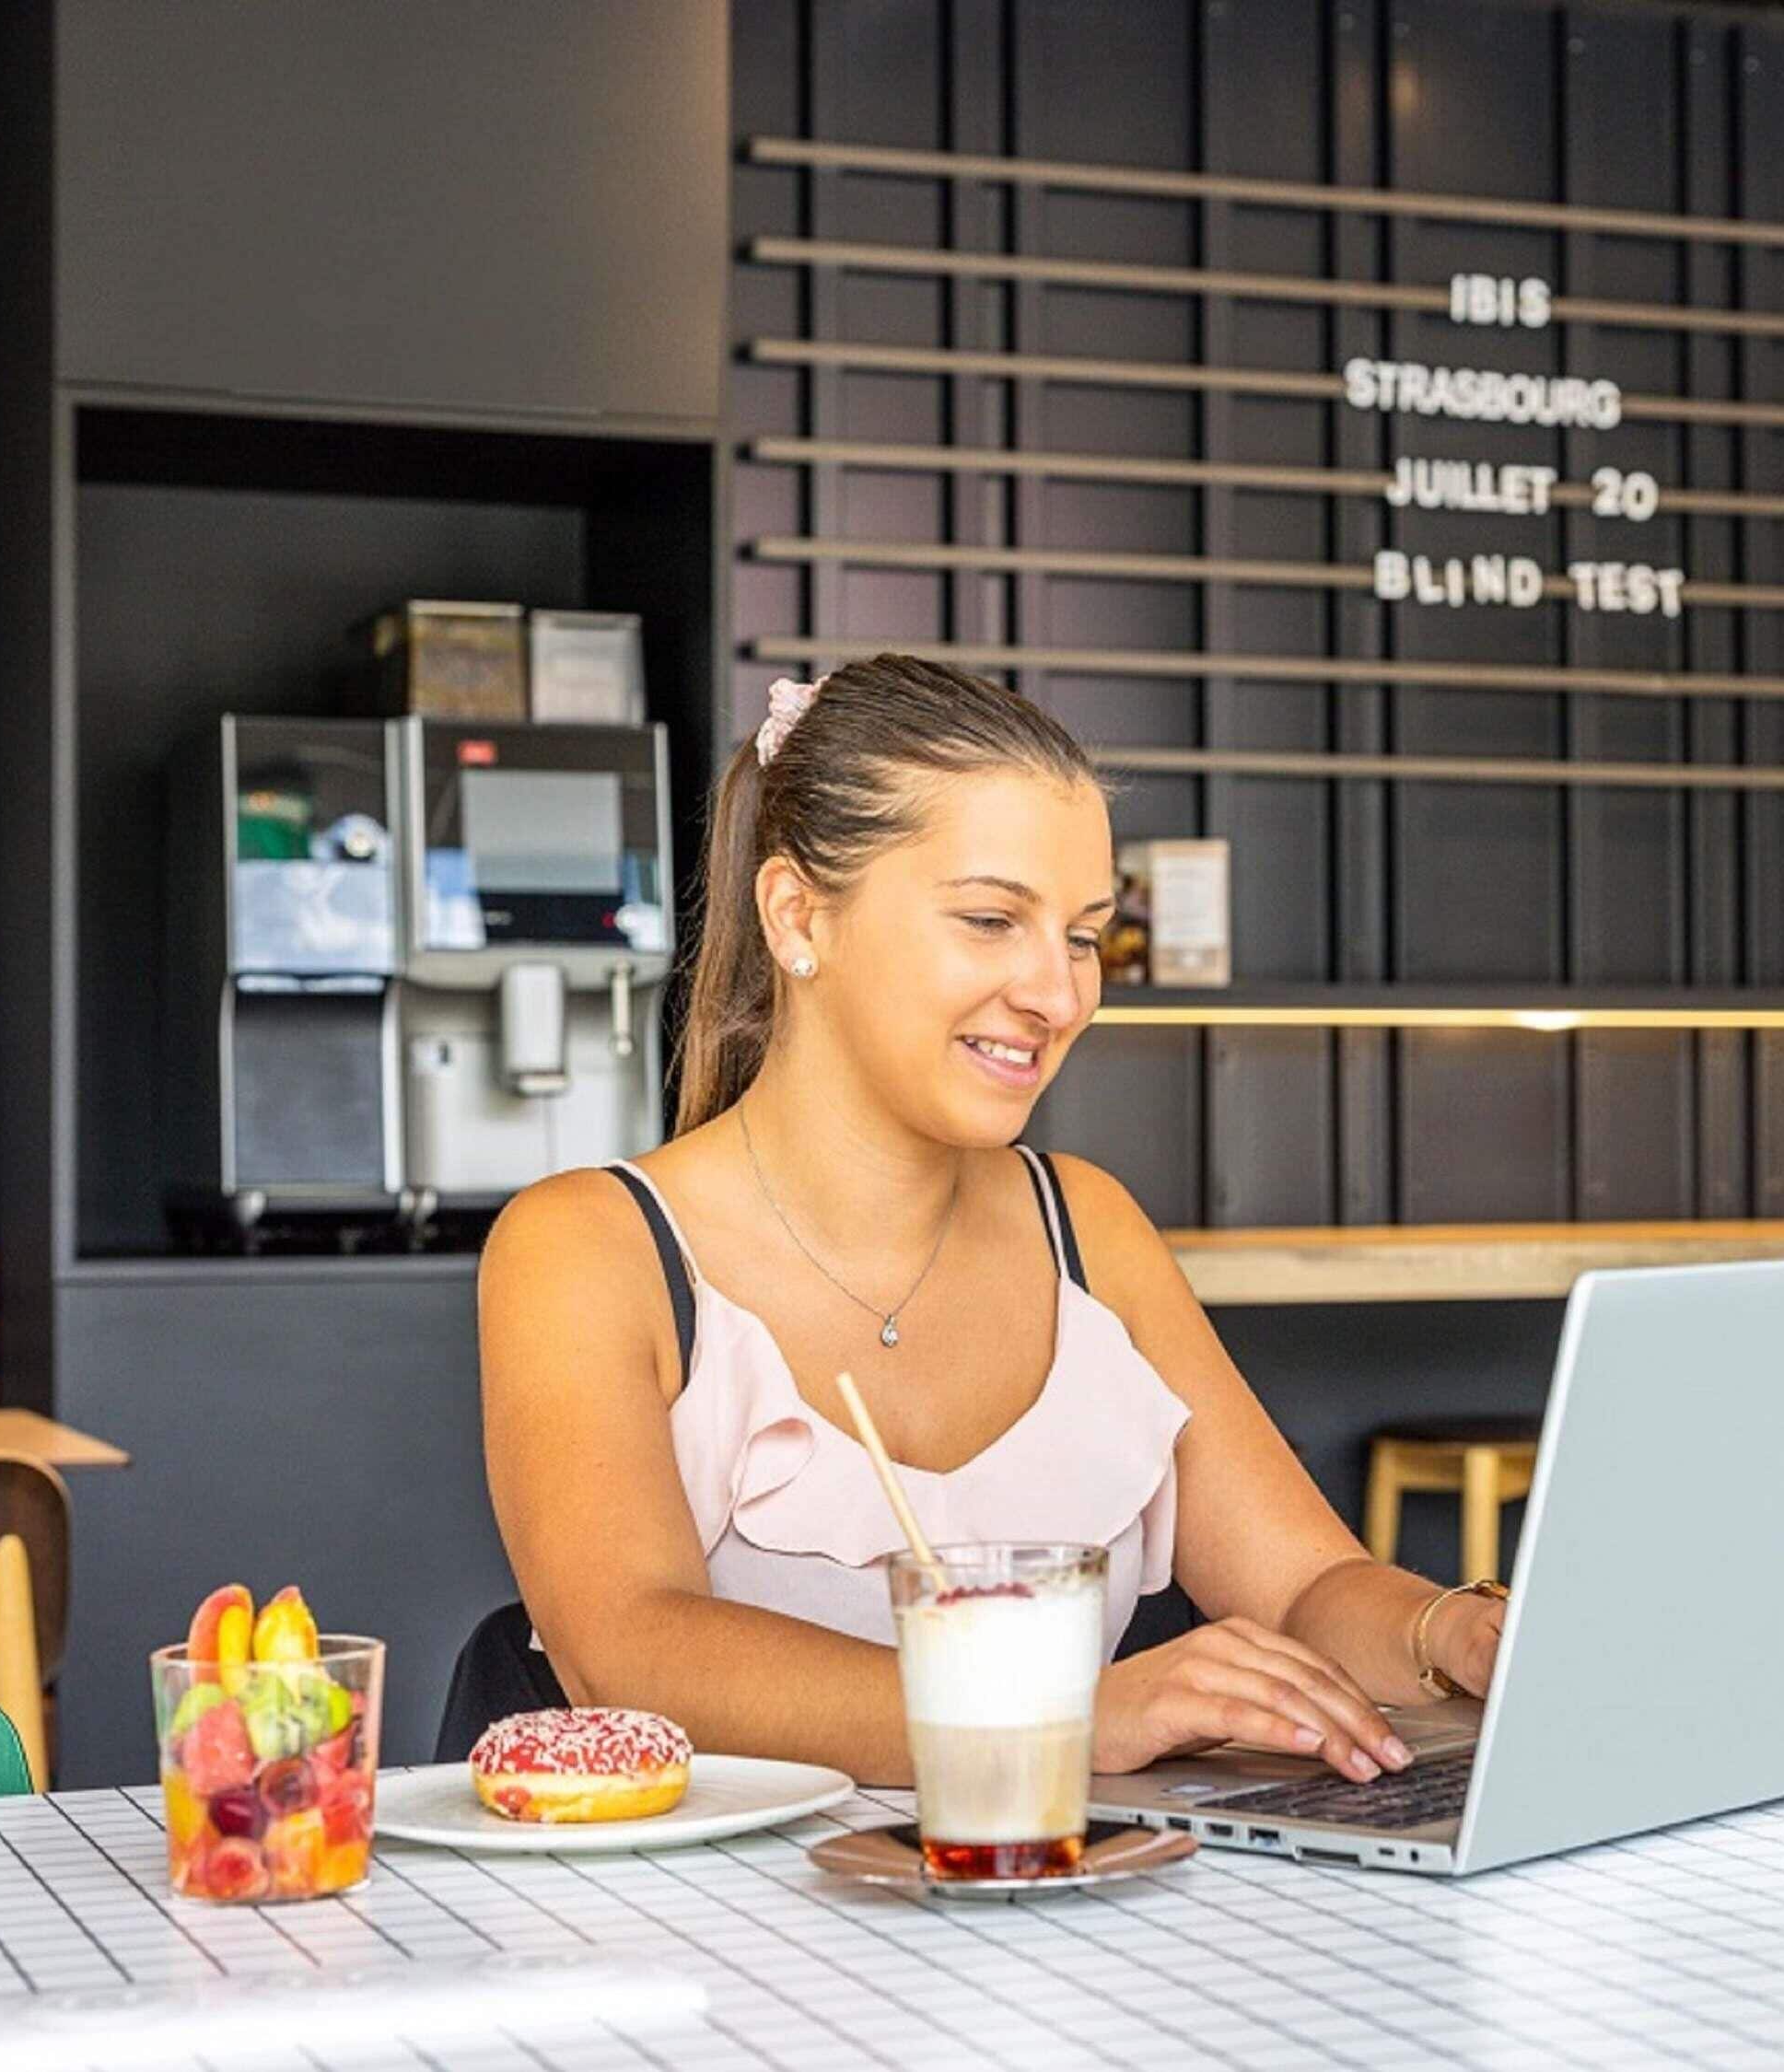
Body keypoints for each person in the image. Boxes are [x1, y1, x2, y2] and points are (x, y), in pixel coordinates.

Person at [479, 653, 1504, 1787]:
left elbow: (1310, 1588)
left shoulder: (1088, 1227)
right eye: (988, 920)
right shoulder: (590, 1247)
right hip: (728, 1944)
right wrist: (1057, 1715)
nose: (1058, 997)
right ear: (795, 913)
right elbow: (630, 1649)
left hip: (1053, 1919)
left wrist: (1447, 1635)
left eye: (1080, 936)